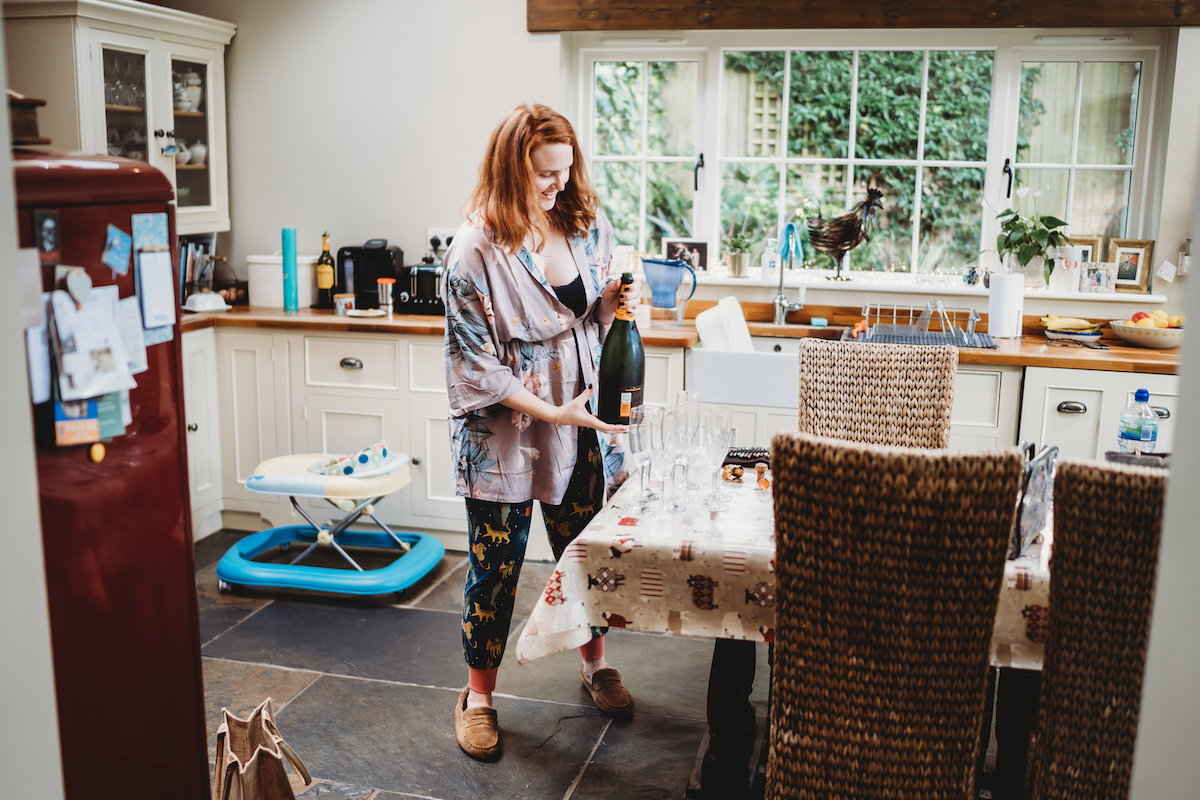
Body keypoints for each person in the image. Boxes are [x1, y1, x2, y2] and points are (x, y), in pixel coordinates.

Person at [441, 104, 639, 761]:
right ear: (508, 171)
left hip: (579, 427)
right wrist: (557, 412)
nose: (556, 187)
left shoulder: (582, 225)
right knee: (494, 571)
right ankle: (479, 699)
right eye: (541, 176)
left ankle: (594, 664)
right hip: (505, 435)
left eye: (564, 171)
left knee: (583, 556)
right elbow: (478, 367)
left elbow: (593, 319)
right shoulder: (473, 252)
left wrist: (615, 304)